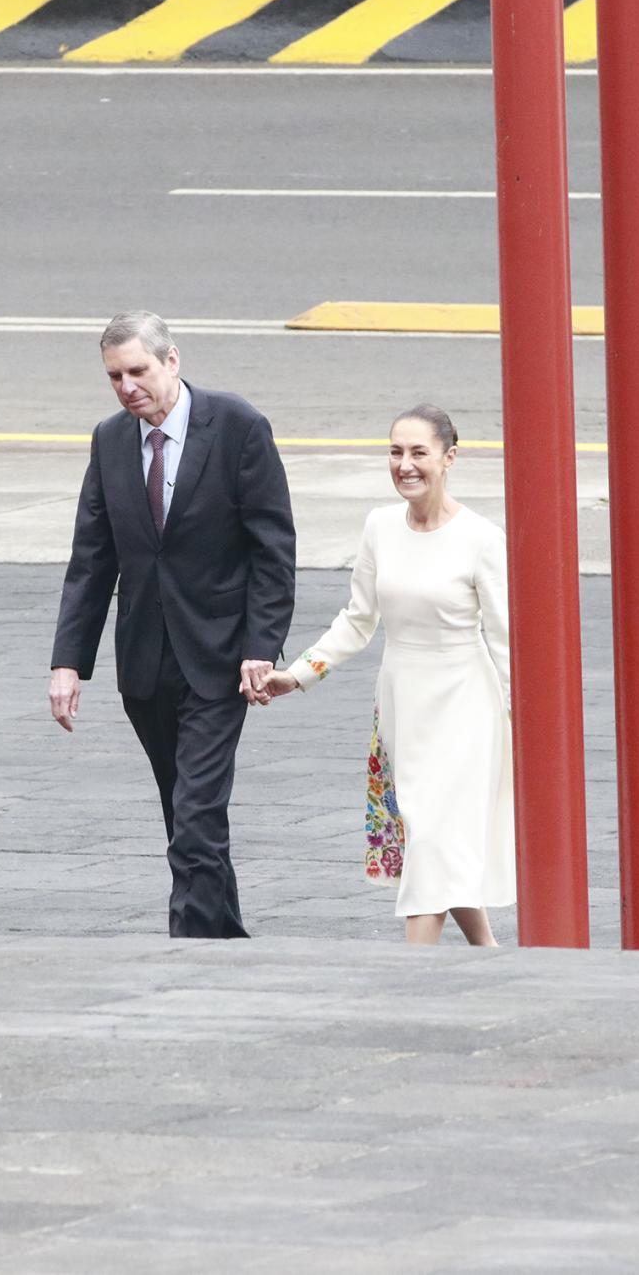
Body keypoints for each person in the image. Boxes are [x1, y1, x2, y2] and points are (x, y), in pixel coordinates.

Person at [50, 311, 297, 938]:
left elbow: (273, 550)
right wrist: (68, 662)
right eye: (114, 376)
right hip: (146, 663)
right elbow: (92, 558)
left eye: (138, 370)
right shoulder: (110, 441)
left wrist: (262, 647)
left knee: (195, 812)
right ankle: (226, 939)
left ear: (172, 361)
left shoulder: (237, 426)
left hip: (220, 663)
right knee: (186, 815)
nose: (128, 386)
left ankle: (188, 948)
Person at [260, 405, 514, 946]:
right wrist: (299, 674)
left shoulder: (481, 538)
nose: (405, 465)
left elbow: (505, 640)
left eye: (419, 452)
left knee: (435, 839)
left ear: (449, 458)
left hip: (466, 706)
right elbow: (358, 619)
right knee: (432, 835)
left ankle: (410, 975)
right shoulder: (379, 526)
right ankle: (488, 952)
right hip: (403, 700)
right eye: (395, 451)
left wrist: (525, 723)